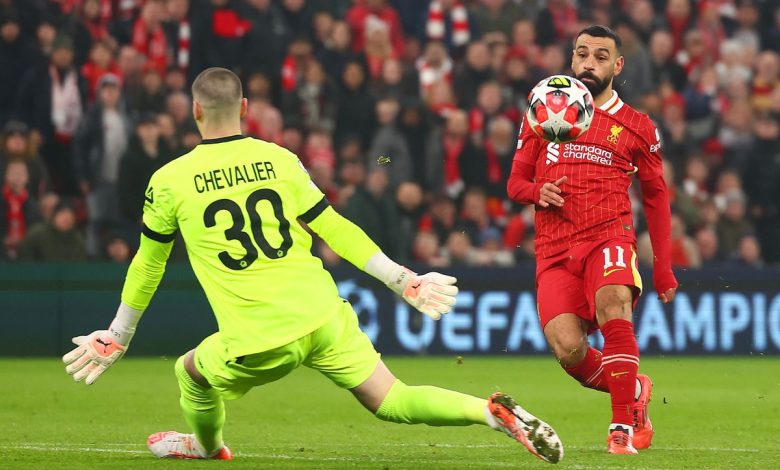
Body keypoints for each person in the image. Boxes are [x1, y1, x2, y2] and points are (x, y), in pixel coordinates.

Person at [62, 67, 563, 465]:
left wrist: (120, 333)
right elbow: (334, 228)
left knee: (189, 370)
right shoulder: (280, 159)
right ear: (244, 108)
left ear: (195, 111)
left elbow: (148, 263)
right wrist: (401, 278)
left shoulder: (170, 180)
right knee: (393, 399)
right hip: (324, 314)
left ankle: (207, 447)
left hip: (260, 337)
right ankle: (488, 412)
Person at [507, 25, 678, 455]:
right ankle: (633, 389)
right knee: (568, 349)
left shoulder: (637, 126)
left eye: (601, 57)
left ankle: (620, 428)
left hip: (609, 236)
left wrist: (663, 267)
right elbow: (515, 183)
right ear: (572, 59)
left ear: (617, 66)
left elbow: (656, 197)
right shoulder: (542, 111)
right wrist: (536, 192)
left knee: (613, 303)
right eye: (582, 54)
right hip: (554, 248)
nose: (589, 63)